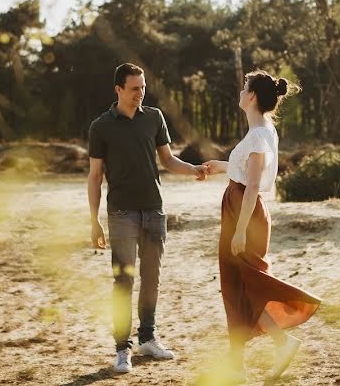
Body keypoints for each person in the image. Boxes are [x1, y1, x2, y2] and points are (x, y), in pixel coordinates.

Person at [87, 62, 208, 374]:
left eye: (143, 87)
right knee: (123, 281)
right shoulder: (101, 127)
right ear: (118, 90)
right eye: (134, 88)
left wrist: (192, 169)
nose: (140, 93)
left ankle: (148, 339)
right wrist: (93, 220)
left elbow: (167, 160)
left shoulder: (154, 117)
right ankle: (121, 349)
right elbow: (95, 176)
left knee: (151, 279)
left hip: (154, 210)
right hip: (121, 214)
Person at [203, 70, 321, 382]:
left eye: (244, 87)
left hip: (244, 210)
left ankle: (277, 345)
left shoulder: (257, 134)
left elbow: (253, 183)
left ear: (252, 96)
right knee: (241, 285)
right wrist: (222, 167)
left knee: (244, 284)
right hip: (243, 206)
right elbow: (248, 172)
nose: (240, 91)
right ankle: (241, 361)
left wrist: (240, 229)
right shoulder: (263, 129)